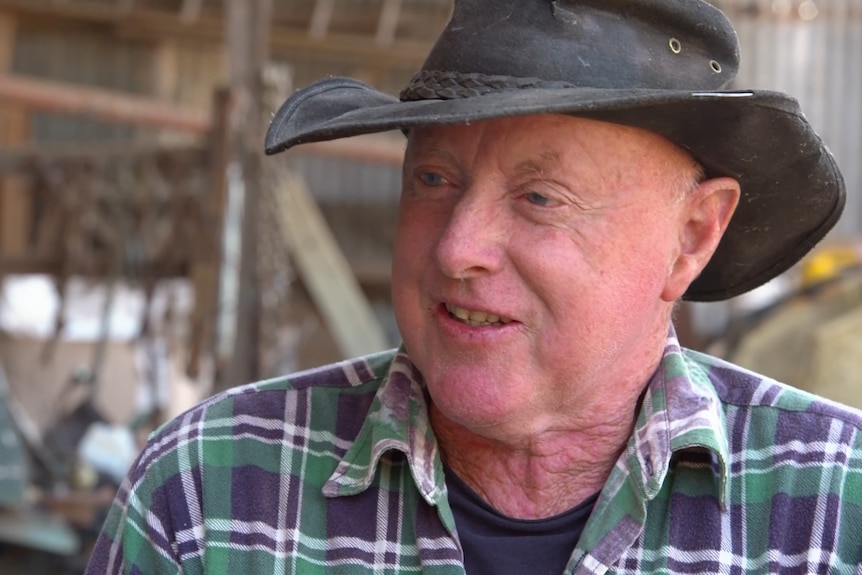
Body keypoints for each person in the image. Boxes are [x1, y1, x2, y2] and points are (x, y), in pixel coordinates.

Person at [85, 0, 862, 573]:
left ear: (691, 235)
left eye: (540, 197)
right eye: (432, 177)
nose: (458, 247)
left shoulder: (834, 509)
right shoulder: (211, 495)